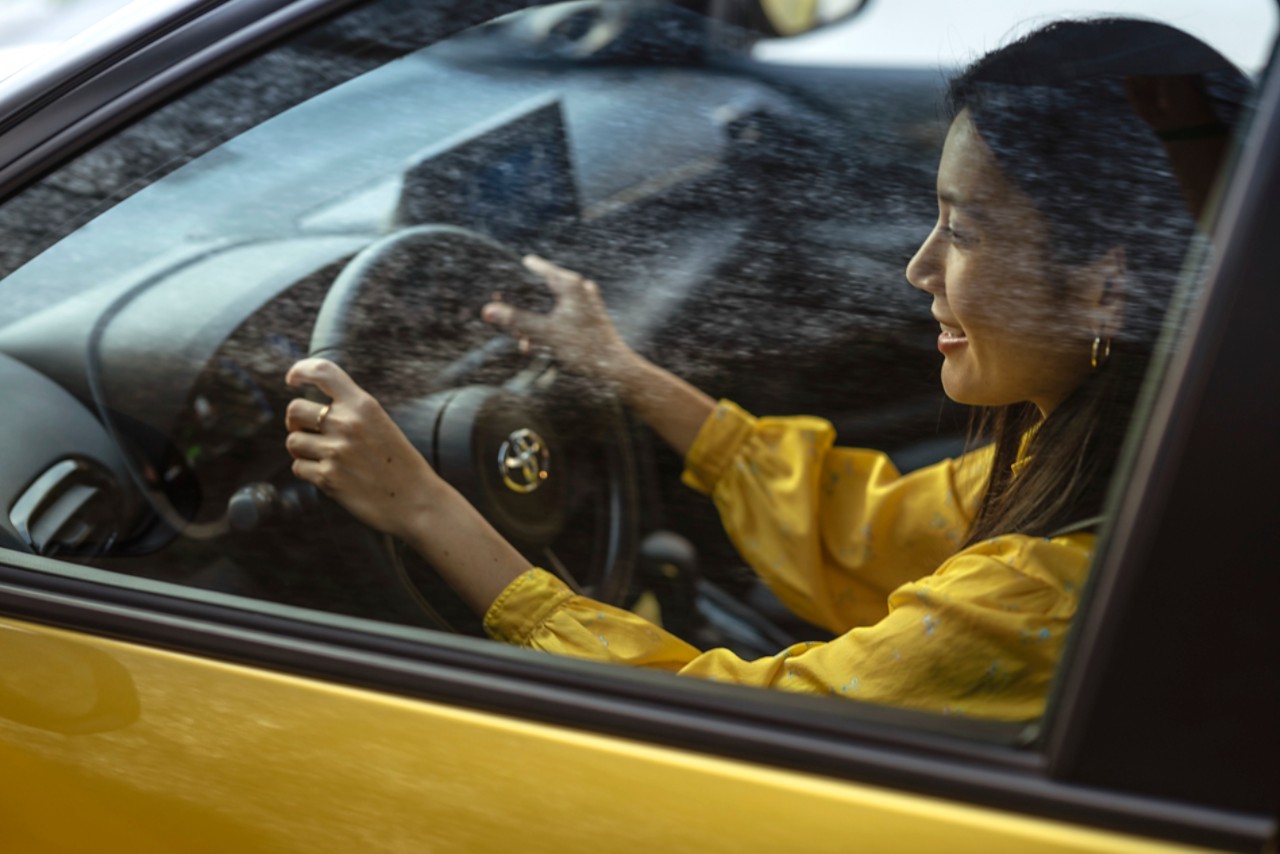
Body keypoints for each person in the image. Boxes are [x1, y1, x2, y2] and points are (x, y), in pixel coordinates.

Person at [283, 18, 1251, 719]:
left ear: (1103, 294)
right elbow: (866, 529)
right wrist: (621, 369)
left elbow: (722, 724)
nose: (918, 266)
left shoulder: (1038, 594)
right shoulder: (1149, 451)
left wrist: (428, 509)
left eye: (958, 229)